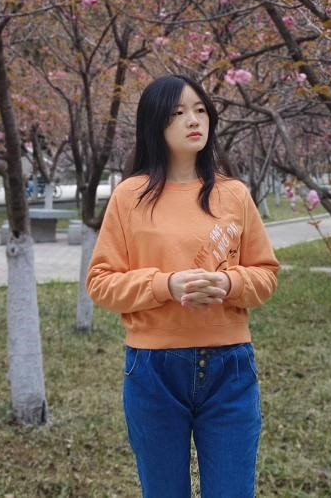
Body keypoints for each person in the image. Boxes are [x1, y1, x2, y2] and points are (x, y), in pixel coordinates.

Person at [87, 74, 280, 498]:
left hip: (231, 369)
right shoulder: (129, 196)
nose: (194, 120)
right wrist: (166, 285)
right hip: (153, 370)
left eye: (200, 110)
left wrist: (228, 283)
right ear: (155, 123)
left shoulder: (234, 194)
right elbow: (101, 283)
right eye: (177, 113)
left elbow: (266, 275)